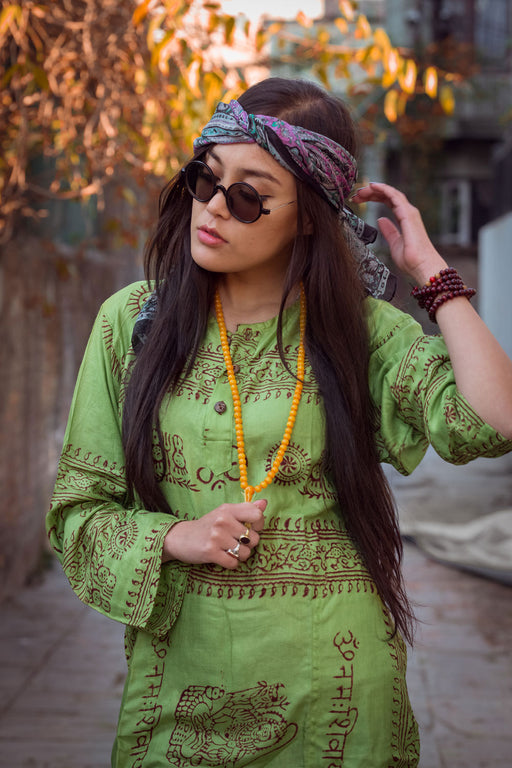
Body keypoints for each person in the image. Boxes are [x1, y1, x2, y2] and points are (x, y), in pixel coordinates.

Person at [46, 77, 512, 767]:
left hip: (337, 689)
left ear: (308, 217)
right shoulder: (133, 324)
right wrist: (174, 535)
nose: (214, 208)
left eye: (247, 197)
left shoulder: (359, 332)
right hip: (182, 683)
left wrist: (432, 274)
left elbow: (492, 421)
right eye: (207, 180)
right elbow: (76, 514)